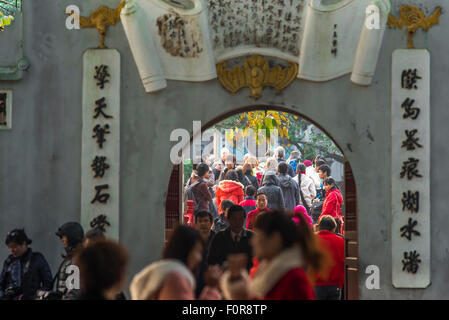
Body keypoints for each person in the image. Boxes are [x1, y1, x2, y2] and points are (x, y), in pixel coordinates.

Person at [220, 211, 329, 300]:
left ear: (275, 239)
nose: (253, 241)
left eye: (258, 235)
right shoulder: (266, 270)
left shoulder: (294, 280)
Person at [130, 225, 221, 300]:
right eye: (197, 251)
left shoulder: (165, 272)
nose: (199, 258)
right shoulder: (176, 279)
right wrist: (212, 288)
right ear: (185, 251)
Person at [0, 229, 52, 300]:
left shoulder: (37, 259)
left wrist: (37, 296)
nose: (12, 250)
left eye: (14, 246)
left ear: (24, 243)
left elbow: (48, 284)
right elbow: (1, 285)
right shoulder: (9, 261)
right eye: (10, 247)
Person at [208, 205, 254, 271]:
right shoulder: (219, 237)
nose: (237, 222)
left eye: (240, 219)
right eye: (234, 219)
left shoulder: (252, 237)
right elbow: (212, 261)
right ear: (228, 219)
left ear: (244, 219)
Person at [315, 216, 344, 300]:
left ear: (319, 227)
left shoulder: (313, 240)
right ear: (333, 228)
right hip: (335, 284)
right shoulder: (340, 241)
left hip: (317, 284)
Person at [54, 222, 84, 300]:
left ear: (72, 237)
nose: (62, 240)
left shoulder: (76, 260)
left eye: (63, 237)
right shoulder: (73, 258)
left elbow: (73, 292)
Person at [194, 211, 216, 298]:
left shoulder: (217, 239)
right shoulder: (192, 240)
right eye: (200, 221)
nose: (203, 223)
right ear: (196, 224)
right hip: (196, 280)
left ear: (211, 223)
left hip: (212, 280)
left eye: (206, 221)